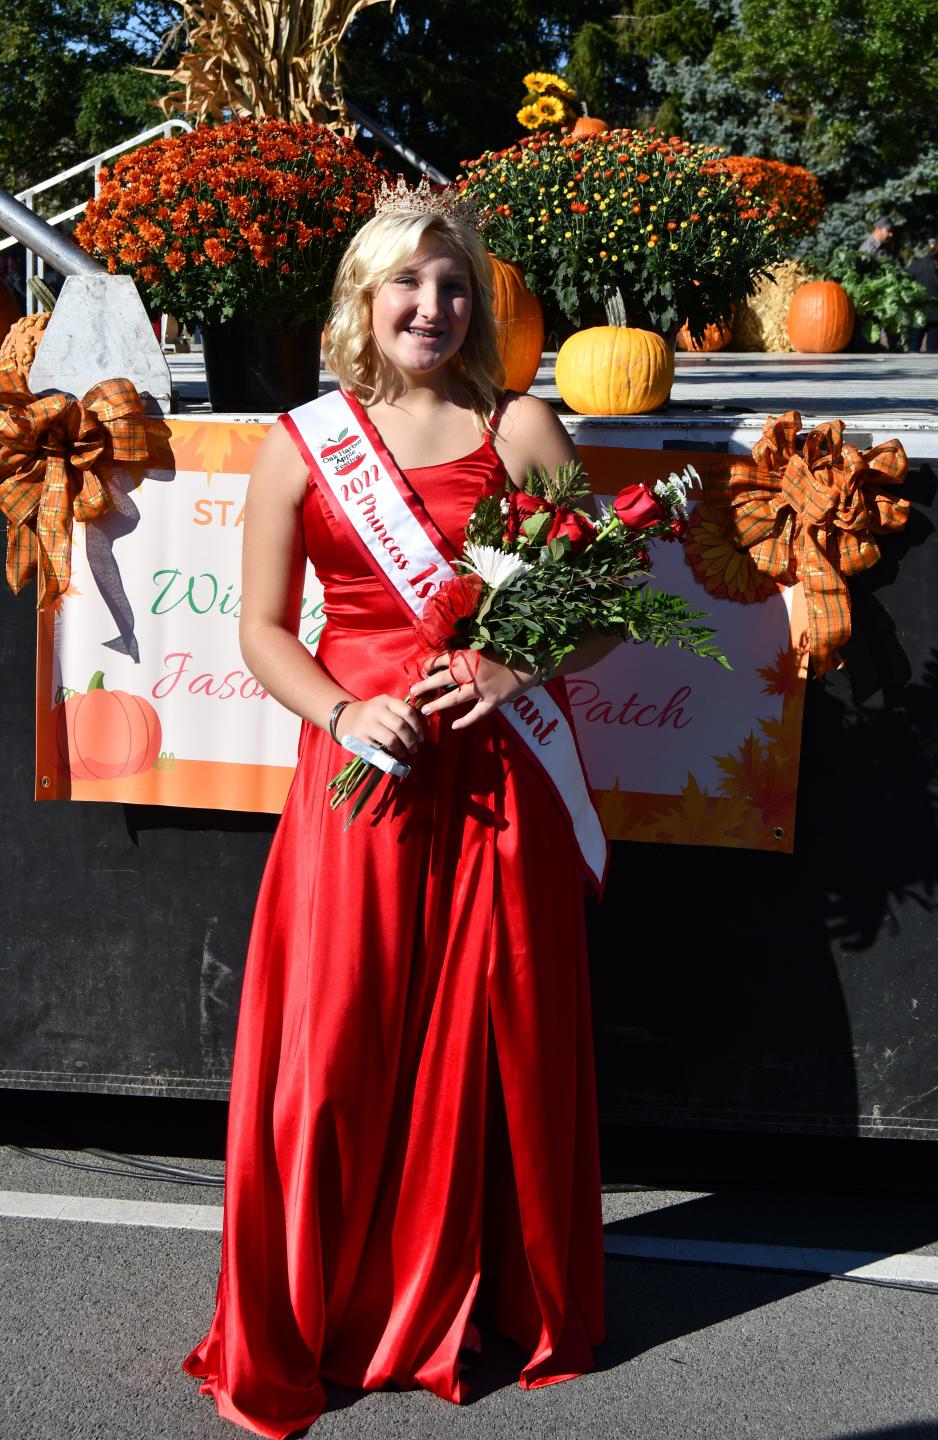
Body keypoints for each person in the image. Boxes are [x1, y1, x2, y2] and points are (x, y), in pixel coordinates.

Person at [182, 182, 610, 1439]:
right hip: (360, 777)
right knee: (335, 1049)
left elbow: (598, 601)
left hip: (494, 782)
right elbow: (261, 631)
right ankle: (314, 1316)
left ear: (479, 303)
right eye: (409, 282)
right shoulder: (298, 442)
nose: (434, 304)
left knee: (500, 1041)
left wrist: (514, 668)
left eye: (455, 283)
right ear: (364, 300)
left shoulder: (521, 426)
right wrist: (337, 711)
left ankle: (490, 1303)